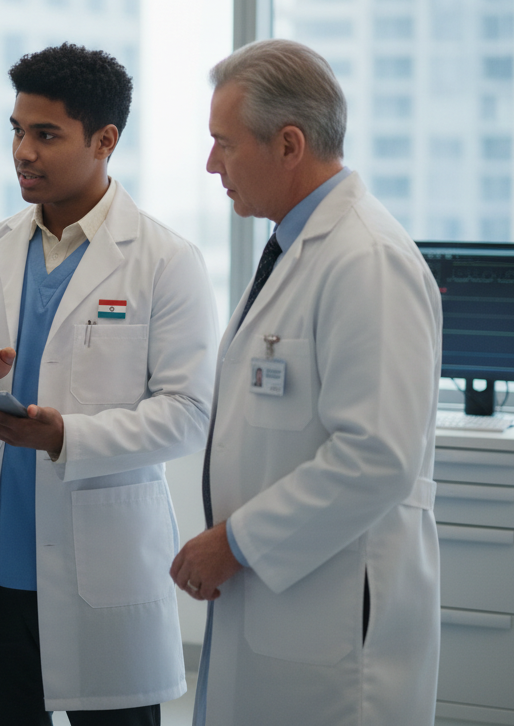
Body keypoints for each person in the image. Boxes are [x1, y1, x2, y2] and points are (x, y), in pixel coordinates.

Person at [0, 43, 219, 725]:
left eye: (46, 135)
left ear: (104, 140)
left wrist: (65, 436)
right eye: (17, 131)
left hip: (101, 576)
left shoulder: (165, 260)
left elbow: (188, 414)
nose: (23, 152)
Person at [169, 39, 441, 725]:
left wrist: (236, 541)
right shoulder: (293, 249)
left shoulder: (366, 259)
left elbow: (376, 457)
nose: (211, 164)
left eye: (224, 144)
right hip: (278, 605)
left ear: (289, 145)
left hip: (333, 628)